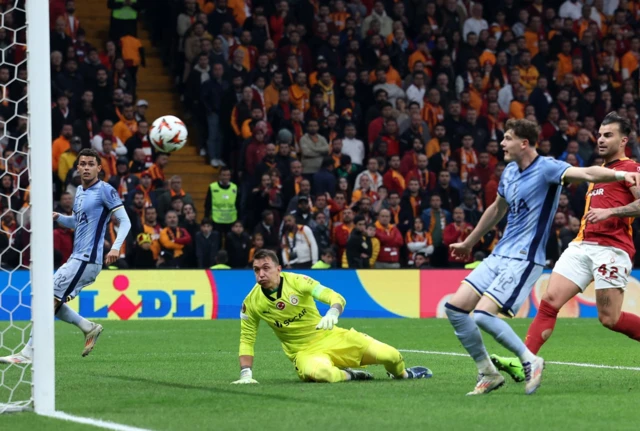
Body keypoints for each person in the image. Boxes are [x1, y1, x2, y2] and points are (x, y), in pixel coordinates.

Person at [443, 118, 640, 396]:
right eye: (599, 134)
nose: (600, 139)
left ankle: (526, 358)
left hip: (612, 248)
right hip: (582, 245)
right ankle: (527, 359)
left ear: (623, 141)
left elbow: (625, 195)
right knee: (549, 302)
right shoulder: (601, 171)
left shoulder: (631, 168)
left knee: (609, 319)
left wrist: (612, 212)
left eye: (608, 135)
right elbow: (499, 207)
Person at [1, 149, 131, 364]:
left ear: (99, 168)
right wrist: (59, 217)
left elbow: (125, 221)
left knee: (46, 300)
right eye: (83, 164)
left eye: (91, 164)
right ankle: (88, 327)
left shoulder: (105, 190)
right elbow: (76, 222)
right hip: (76, 258)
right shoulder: (79, 190)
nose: (87, 167)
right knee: (49, 299)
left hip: (87, 259)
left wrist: (116, 247)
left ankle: (29, 353)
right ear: (77, 167)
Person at [232, 249, 432, 384]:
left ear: (278, 269)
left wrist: (333, 312)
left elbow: (334, 296)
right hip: (304, 352)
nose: (261, 274)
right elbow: (246, 339)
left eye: (266, 268)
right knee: (322, 374)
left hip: (331, 336)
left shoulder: (298, 281)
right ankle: (350, 374)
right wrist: (246, 374)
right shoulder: (251, 302)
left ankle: (405, 374)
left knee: (391, 356)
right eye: (256, 270)